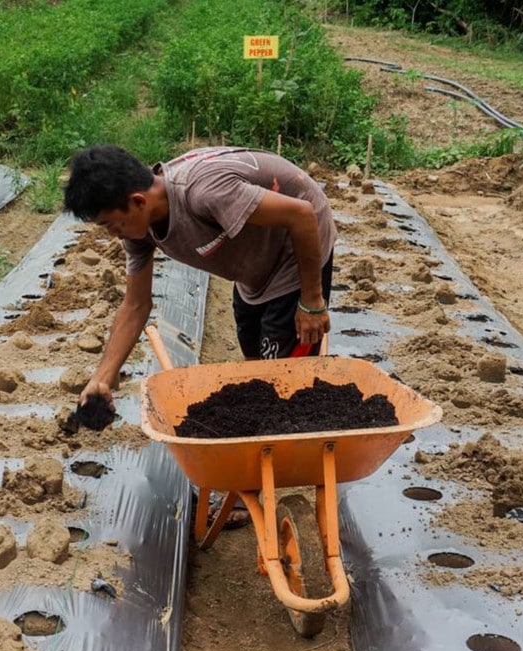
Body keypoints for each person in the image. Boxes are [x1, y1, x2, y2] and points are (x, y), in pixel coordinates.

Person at [63, 144, 336, 527]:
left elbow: (303, 213)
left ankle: (252, 486)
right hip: (254, 270)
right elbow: (136, 305)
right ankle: (257, 452)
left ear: (138, 201)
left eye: (111, 224)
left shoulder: (203, 192)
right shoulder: (140, 230)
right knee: (256, 366)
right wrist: (102, 378)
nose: (112, 234)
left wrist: (312, 301)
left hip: (296, 253)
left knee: (278, 381)